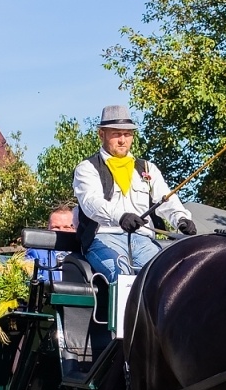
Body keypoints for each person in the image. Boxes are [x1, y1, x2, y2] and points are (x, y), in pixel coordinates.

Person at [72, 104, 197, 280]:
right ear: (102, 134)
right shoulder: (88, 168)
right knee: (123, 276)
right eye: (116, 134)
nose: (122, 140)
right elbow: (91, 203)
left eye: (127, 134)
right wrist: (121, 217)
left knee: (167, 279)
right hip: (105, 238)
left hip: (144, 239)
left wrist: (181, 218)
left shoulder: (147, 168)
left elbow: (166, 198)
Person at [25, 204, 76, 283]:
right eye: (56, 227)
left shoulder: (85, 254)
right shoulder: (36, 254)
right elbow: (29, 284)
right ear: (48, 229)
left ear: (75, 229)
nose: (61, 231)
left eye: (67, 227)